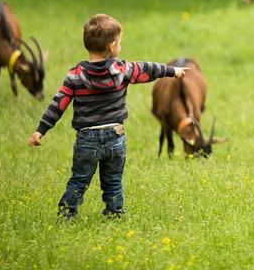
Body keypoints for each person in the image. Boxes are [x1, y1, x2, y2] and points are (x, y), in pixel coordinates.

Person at [27, 14, 187, 220]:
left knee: (78, 180)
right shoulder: (124, 70)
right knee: (113, 181)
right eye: (119, 42)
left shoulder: (75, 75)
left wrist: (41, 130)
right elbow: (149, 69)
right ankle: (114, 214)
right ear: (112, 46)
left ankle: (66, 215)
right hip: (115, 136)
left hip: (87, 140)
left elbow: (59, 104)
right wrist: (172, 71)